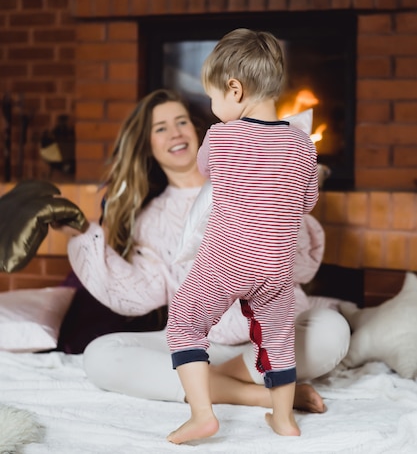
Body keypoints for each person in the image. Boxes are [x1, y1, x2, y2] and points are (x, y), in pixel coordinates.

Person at [64, 88, 350, 424]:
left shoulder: (250, 173)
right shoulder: (150, 219)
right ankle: (261, 392)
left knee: (332, 331)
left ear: (197, 131)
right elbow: (140, 296)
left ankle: (212, 382)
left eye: (181, 121)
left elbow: (298, 268)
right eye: (160, 128)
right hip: (198, 344)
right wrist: (81, 233)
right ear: (148, 145)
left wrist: (280, 195)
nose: (175, 133)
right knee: (100, 356)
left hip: (264, 341)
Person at [165, 29, 318, 443]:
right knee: (279, 337)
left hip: (226, 259)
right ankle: (284, 420)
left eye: (213, 99)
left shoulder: (220, 136)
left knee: (185, 322)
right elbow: (306, 203)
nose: (213, 110)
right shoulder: (303, 144)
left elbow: (206, 173)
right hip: (275, 267)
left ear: (235, 89)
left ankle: (202, 415)